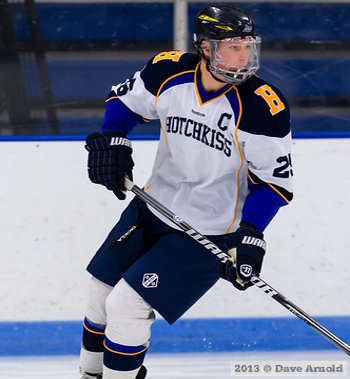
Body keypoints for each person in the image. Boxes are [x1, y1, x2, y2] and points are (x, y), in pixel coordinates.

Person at [79, 4, 293, 379]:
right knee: (100, 293)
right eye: (233, 47)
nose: (243, 57)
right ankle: (88, 374)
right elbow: (125, 102)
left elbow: (274, 183)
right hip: (152, 207)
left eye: (247, 47)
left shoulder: (263, 107)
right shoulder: (168, 70)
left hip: (208, 232)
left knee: (127, 307)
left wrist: (251, 234)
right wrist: (113, 136)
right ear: (206, 48)